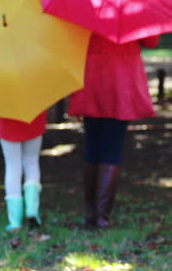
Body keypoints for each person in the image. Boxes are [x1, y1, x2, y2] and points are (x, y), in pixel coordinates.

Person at [68, 33, 160, 229]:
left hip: (92, 78)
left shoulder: (88, 5)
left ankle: (91, 213)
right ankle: (102, 216)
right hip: (122, 81)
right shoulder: (135, 7)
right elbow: (151, 42)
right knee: (113, 146)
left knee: (93, 145)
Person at [0, 112, 46, 231]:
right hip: (34, 114)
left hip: (6, 117)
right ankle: (32, 210)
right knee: (32, 162)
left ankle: (15, 222)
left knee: (12, 166)